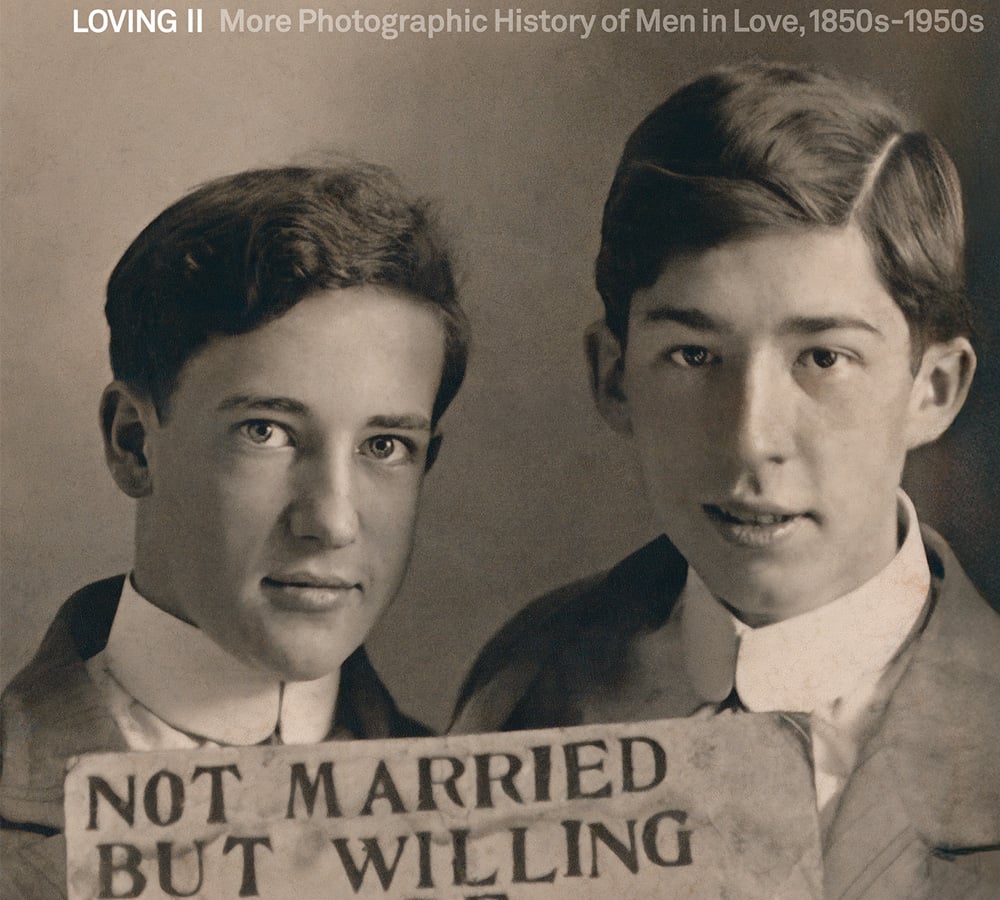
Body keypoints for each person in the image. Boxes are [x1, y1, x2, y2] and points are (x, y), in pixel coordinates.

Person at [452, 63, 1000, 896]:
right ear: (613, 378)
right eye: (693, 355)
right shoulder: (524, 685)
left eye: (824, 358)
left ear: (933, 390)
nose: (750, 440)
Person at [0, 163, 468, 895]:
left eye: (385, 446)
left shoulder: (484, 824)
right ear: (133, 443)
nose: (331, 521)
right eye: (266, 431)